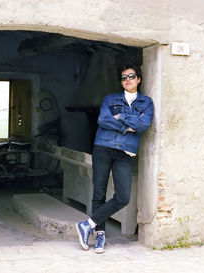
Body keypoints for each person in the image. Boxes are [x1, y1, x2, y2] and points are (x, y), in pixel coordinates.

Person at [75, 63, 154, 254]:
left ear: (138, 79)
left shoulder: (146, 103)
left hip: (124, 153)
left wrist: (120, 117)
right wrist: (127, 126)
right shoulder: (110, 99)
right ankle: (100, 236)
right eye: (124, 77)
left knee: (123, 196)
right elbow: (103, 120)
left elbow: (144, 123)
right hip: (103, 147)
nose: (127, 80)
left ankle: (87, 224)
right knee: (99, 193)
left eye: (131, 76)